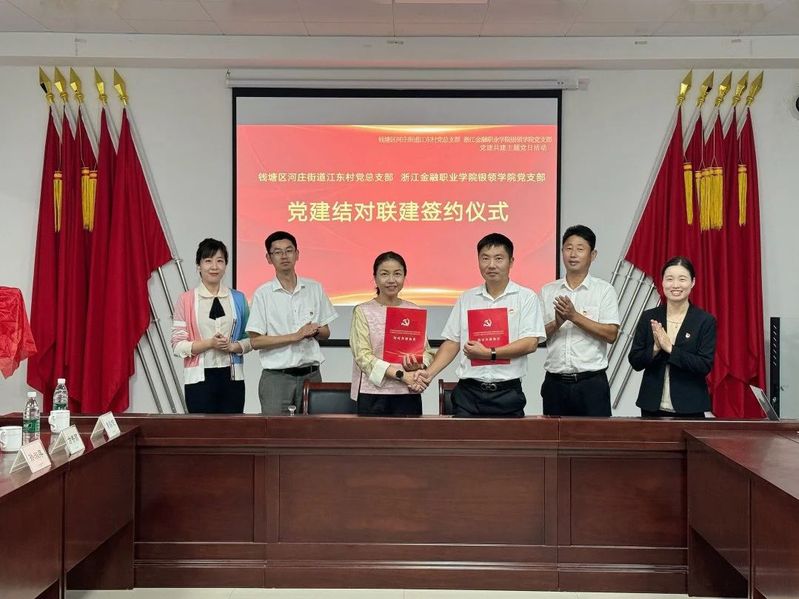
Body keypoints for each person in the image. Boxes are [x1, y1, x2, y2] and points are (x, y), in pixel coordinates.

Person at [416, 233, 545, 417]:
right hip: (468, 394)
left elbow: (530, 343)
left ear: (511, 261)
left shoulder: (526, 297)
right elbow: (452, 342)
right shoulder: (467, 298)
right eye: (485, 258)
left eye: (498, 258)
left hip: (507, 394)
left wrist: (489, 353)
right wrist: (429, 374)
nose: (491, 265)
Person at [246, 231, 338, 415]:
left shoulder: (314, 288)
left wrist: (315, 330)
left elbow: (326, 332)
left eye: (289, 250)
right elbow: (256, 341)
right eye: (277, 252)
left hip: (311, 375)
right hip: (277, 378)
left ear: (297, 254)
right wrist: (295, 336)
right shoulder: (263, 294)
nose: (284, 256)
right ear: (268, 258)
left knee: (312, 429)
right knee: (275, 430)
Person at [540, 225, 620, 417]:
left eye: (580, 249)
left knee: (594, 436)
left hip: (591, 385)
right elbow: (537, 338)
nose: (573, 254)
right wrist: (557, 323)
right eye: (568, 248)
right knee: (553, 436)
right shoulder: (547, 291)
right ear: (562, 252)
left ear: (593, 255)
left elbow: (611, 334)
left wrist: (574, 317)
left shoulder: (604, 290)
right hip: (555, 384)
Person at [628, 256, 716, 418]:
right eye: (669, 279)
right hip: (652, 406)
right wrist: (655, 348)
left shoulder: (704, 320)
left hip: (690, 406)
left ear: (693, 282)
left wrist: (670, 348)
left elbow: (704, 365)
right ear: (662, 282)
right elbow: (635, 361)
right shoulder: (649, 317)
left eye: (682, 279)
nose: (675, 285)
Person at [171, 238, 251, 414]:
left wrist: (233, 346)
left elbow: (250, 339)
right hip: (198, 379)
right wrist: (209, 343)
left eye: (220, 261)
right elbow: (177, 346)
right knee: (202, 429)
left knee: (233, 428)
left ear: (225, 265)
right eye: (208, 261)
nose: (214, 266)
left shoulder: (238, 298)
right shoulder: (186, 300)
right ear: (198, 266)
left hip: (233, 378)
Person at [350, 251, 434, 416]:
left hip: (408, 391)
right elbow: (362, 356)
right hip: (373, 393)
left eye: (397, 274)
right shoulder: (363, 311)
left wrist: (419, 365)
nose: (391, 280)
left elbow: (427, 352)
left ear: (404, 277)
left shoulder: (413, 310)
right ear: (375, 278)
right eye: (384, 274)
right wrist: (401, 375)